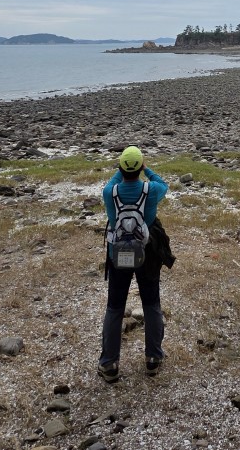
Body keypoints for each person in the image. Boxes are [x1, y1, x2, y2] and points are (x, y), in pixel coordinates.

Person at [98, 145, 169, 383]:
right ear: (140, 167)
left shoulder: (111, 193)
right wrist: (147, 170)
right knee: (151, 304)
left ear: (120, 167)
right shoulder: (152, 190)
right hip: (146, 253)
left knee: (114, 308)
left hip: (117, 253)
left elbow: (111, 183)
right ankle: (153, 359)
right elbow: (164, 184)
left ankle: (109, 364)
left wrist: (122, 170)